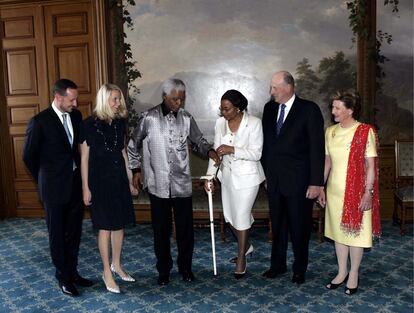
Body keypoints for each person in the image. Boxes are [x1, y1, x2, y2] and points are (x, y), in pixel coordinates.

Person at [127, 78, 220, 286]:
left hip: (182, 184)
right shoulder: (148, 117)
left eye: (181, 99)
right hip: (157, 183)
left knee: (186, 230)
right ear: (165, 97)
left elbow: (199, 141)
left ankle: (186, 268)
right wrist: (136, 169)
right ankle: (163, 270)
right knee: (161, 230)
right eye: (174, 99)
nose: (179, 103)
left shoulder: (187, 118)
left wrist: (210, 150)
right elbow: (133, 144)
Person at [23, 79, 94, 296]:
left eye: (76, 99)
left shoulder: (76, 115)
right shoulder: (40, 122)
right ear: (58, 97)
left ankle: (73, 273)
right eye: (72, 99)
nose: (75, 103)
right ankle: (62, 277)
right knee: (57, 234)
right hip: (53, 188)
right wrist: (43, 178)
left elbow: (77, 150)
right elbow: (28, 156)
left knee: (74, 232)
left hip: (74, 185)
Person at [261, 71, 325, 284]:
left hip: (300, 182)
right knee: (277, 226)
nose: (271, 92)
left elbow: (317, 148)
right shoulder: (269, 109)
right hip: (275, 180)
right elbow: (267, 146)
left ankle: (300, 269)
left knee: (299, 227)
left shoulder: (309, 110)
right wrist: (267, 174)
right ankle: (277, 265)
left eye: (274, 88)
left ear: (288, 87)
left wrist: (317, 182)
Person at [318, 91, 381, 295]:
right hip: (335, 191)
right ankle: (341, 271)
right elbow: (327, 162)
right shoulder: (330, 131)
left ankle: (353, 273)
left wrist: (368, 192)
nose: (333, 111)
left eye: (337, 108)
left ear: (350, 110)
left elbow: (370, 165)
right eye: (333, 107)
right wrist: (321, 186)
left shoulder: (365, 131)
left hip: (357, 192)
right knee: (339, 234)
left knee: (356, 235)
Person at [80, 84, 137, 294]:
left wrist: (130, 180)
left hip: (119, 179)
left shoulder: (120, 122)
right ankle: (106, 271)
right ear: (104, 100)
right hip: (99, 181)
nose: (118, 103)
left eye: (119, 99)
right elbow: (84, 158)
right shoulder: (87, 124)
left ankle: (117, 265)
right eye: (114, 99)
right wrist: (85, 188)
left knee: (119, 224)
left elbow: (122, 152)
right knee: (105, 226)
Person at [204, 90, 265, 279]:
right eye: (221, 109)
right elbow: (215, 153)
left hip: (248, 178)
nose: (224, 112)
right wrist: (209, 177)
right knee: (230, 217)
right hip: (228, 177)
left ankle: (241, 258)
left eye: (227, 109)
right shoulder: (220, 123)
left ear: (238, 108)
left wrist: (233, 149)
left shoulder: (254, 123)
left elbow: (256, 154)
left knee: (241, 215)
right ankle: (246, 247)